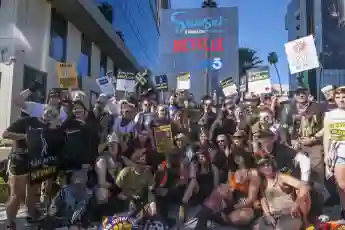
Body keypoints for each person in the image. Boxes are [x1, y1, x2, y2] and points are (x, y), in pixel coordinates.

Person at [3, 104, 65, 229]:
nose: (49, 115)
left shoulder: (51, 129)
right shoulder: (27, 120)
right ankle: (11, 223)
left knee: (32, 194)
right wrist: (25, 136)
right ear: (43, 109)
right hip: (20, 160)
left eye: (53, 114)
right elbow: (5, 134)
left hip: (37, 163)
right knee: (17, 195)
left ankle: (32, 217)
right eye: (49, 111)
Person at [255, 156, 310, 230]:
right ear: (259, 169)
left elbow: (304, 187)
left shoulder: (281, 177)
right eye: (263, 166)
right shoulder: (262, 182)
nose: (266, 167)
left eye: (268, 164)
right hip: (273, 216)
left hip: (288, 214)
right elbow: (263, 200)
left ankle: (303, 222)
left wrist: (296, 204)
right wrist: (268, 215)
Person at [323, 86, 345, 219]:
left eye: (344, 97)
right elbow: (327, 136)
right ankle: (344, 209)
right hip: (338, 155)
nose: (341, 99)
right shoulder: (329, 115)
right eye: (338, 97)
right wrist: (326, 155)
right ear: (334, 99)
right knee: (341, 185)